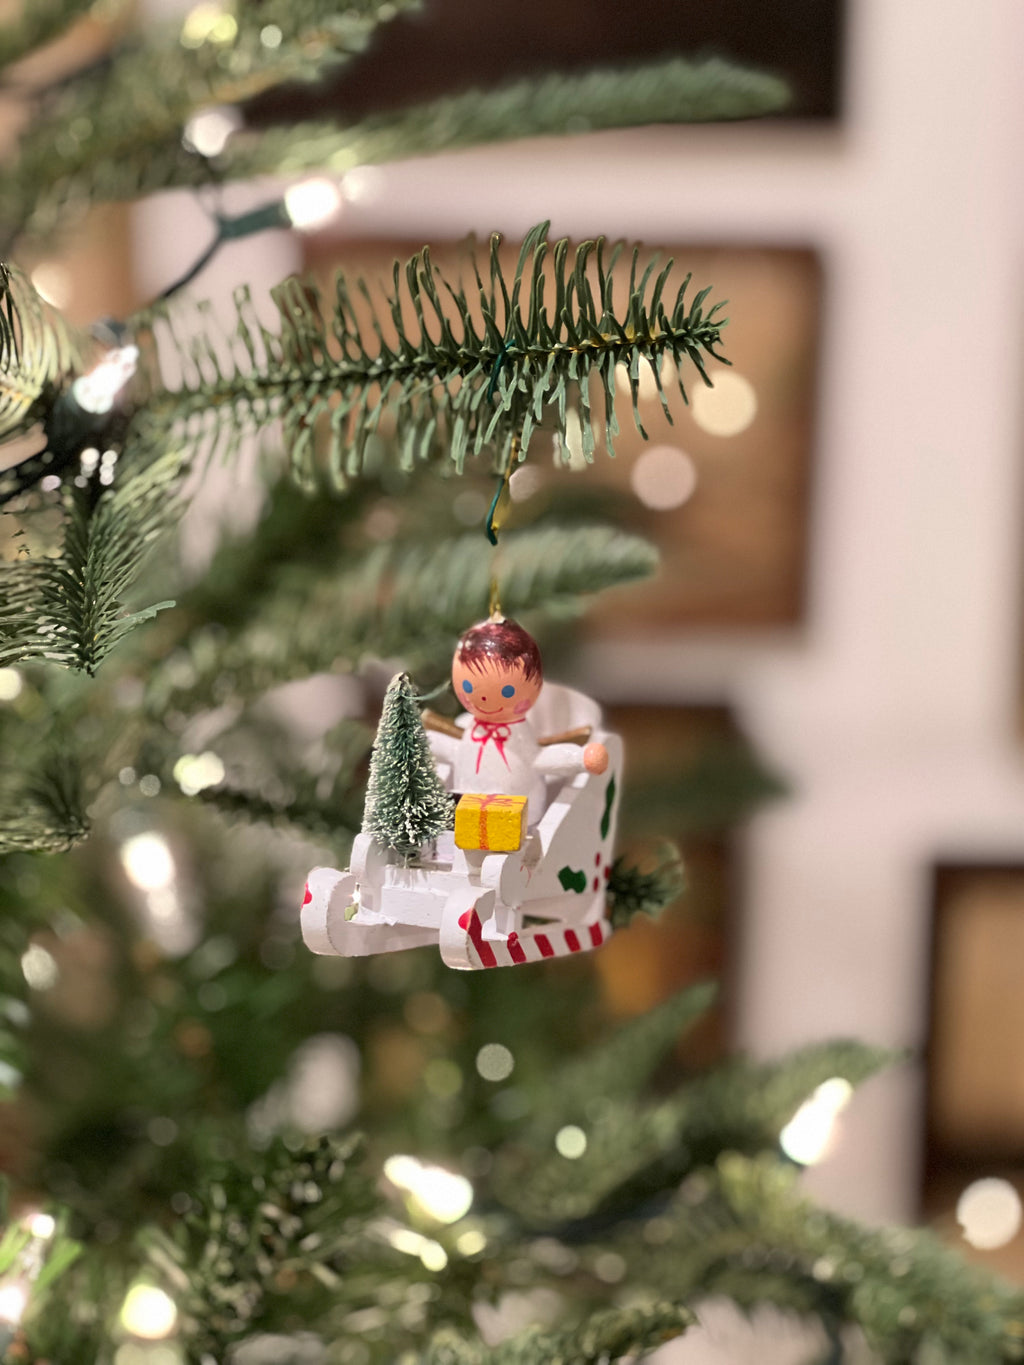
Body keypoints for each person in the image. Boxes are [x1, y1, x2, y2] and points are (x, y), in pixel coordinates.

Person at [427, 615, 608, 824]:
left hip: (519, 821)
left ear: (535, 684)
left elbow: (541, 760)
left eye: (507, 691)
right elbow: (452, 750)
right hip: (467, 815)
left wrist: (580, 758)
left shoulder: (519, 736)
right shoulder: (472, 732)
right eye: (468, 687)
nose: (484, 698)